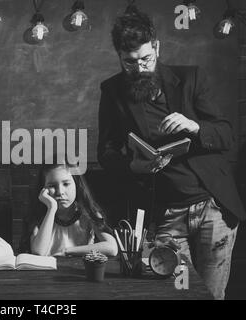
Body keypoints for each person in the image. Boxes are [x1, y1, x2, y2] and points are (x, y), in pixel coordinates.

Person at [97, 8, 245, 299]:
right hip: (164, 215)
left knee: (212, 295)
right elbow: (106, 152)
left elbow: (227, 134)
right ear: (119, 57)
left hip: (211, 209)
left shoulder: (190, 79)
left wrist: (195, 126)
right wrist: (134, 166)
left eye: (145, 60)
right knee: (177, 293)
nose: (139, 69)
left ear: (157, 47)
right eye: (129, 63)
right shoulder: (113, 91)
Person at [21, 159, 118, 257]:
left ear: (77, 185)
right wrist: (51, 208)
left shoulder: (88, 213)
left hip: (77, 271)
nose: (60, 192)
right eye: (52, 186)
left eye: (66, 184)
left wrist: (67, 251)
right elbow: (38, 252)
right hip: (47, 271)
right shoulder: (39, 215)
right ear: (43, 189)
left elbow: (112, 248)